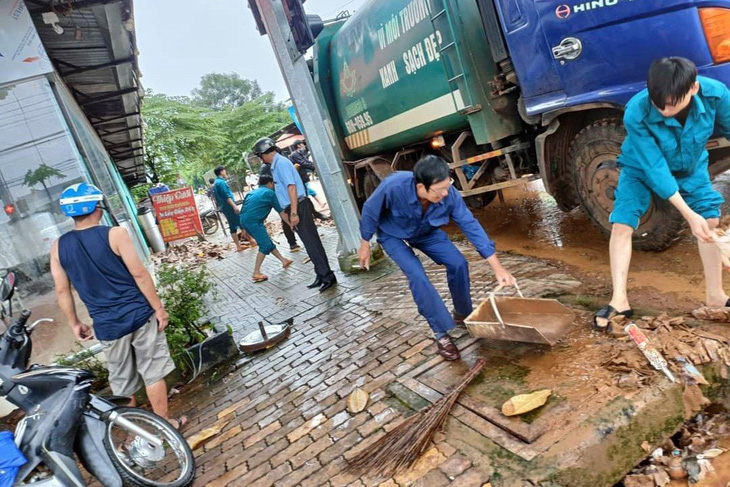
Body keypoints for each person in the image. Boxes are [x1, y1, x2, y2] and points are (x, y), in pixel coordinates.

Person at [595, 57, 730, 329]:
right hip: (640, 167)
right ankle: (619, 300)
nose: (664, 110)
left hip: (690, 166)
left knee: (710, 222)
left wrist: (698, 217)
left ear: (693, 88)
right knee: (622, 224)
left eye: (671, 103)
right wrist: (688, 216)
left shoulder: (717, 95)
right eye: (659, 103)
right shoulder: (636, 110)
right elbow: (655, 169)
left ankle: (715, 297)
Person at [50, 183, 186, 429]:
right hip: (139, 315)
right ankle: (165, 424)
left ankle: (134, 436)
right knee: (153, 371)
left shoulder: (58, 246)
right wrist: (159, 308)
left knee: (123, 383)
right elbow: (139, 274)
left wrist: (74, 323)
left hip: (107, 325)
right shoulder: (115, 234)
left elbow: (62, 291)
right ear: (96, 207)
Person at [358, 156, 515, 360]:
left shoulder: (449, 194)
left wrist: (498, 267)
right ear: (421, 186)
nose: (444, 193)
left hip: (426, 232)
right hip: (392, 234)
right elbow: (370, 211)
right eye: (438, 189)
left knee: (458, 262)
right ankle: (440, 333)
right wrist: (365, 244)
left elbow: (470, 224)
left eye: (447, 186)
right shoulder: (393, 185)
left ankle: (462, 313)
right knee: (417, 276)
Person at [253, 137, 337, 292]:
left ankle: (327, 276)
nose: (261, 158)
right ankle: (321, 273)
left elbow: (292, 188)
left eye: (260, 155)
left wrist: (293, 212)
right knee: (308, 243)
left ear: (264, 153)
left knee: (312, 242)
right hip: (294, 206)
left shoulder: (282, 163)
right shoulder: (276, 165)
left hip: (298, 206)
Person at [240, 174, 294, 282]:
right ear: (269, 183)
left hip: (244, 220)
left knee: (267, 242)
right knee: (265, 245)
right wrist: (290, 224)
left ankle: (284, 261)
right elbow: (282, 212)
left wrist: (243, 229)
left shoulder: (251, 193)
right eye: (273, 184)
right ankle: (256, 272)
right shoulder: (270, 193)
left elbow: (243, 210)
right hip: (254, 222)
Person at [259, 158, 302, 253]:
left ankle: (301, 236)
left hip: (287, 194)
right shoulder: (266, 168)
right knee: (285, 218)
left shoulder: (279, 164)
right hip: (279, 197)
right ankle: (292, 242)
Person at [212, 166, 252, 251]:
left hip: (224, 207)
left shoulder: (216, 183)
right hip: (229, 206)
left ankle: (239, 246)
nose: (225, 173)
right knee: (241, 222)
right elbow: (226, 196)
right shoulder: (221, 183)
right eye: (224, 171)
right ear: (222, 172)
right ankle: (251, 241)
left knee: (232, 226)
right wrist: (234, 206)